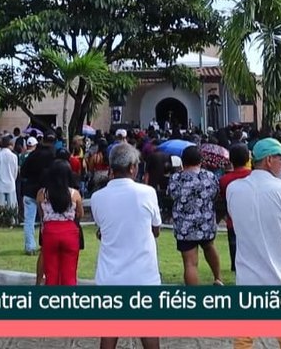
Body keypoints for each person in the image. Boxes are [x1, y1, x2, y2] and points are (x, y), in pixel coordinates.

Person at [227, 138, 281, 349]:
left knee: (244, 335)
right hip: (280, 270)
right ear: (269, 160)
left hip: (248, 270)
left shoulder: (234, 188)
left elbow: (235, 219)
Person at [91, 143, 162, 349]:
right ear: (132, 167)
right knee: (149, 333)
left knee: (109, 335)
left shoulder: (97, 197)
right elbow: (156, 228)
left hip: (110, 276)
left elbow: (103, 229)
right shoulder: (147, 193)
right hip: (143, 276)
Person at [168, 145, 222, 285]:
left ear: (183, 160)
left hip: (184, 226)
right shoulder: (210, 177)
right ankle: (218, 278)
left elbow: (172, 196)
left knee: (190, 264)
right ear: (201, 160)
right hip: (206, 222)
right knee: (210, 247)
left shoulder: (175, 178)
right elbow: (215, 195)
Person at [38, 161, 84, 285]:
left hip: (50, 232)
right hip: (69, 232)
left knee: (51, 273)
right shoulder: (75, 194)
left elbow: (42, 214)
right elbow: (80, 214)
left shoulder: (42, 194)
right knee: (69, 273)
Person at [218, 143, 251, 272]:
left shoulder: (224, 180)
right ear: (248, 159)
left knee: (234, 243)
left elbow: (221, 199)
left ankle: (235, 265)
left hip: (232, 219)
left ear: (230, 160)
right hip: (251, 218)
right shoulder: (253, 175)